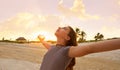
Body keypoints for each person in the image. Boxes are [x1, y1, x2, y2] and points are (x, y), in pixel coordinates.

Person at [38, 26, 120, 70]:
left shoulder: (67, 50)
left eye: (64, 28)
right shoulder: (52, 48)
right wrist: (41, 40)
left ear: (67, 37)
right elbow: (45, 43)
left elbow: (90, 48)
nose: (59, 27)